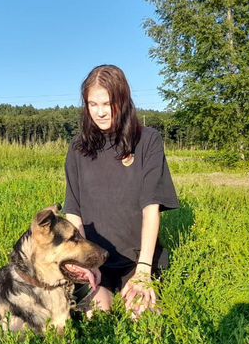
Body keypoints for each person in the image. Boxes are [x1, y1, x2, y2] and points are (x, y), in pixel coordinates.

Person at [64, 64, 179, 317]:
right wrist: (85, 264)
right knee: (96, 316)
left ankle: (139, 284)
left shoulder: (147, 140)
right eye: (93, 104)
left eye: (108, 104)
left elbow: (152, 208)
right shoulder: (78, 148)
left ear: (123, 101)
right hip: (96, 259)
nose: (101, 112)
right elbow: (73, 212)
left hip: (137, 258)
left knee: (142, 316)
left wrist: (143, 270)